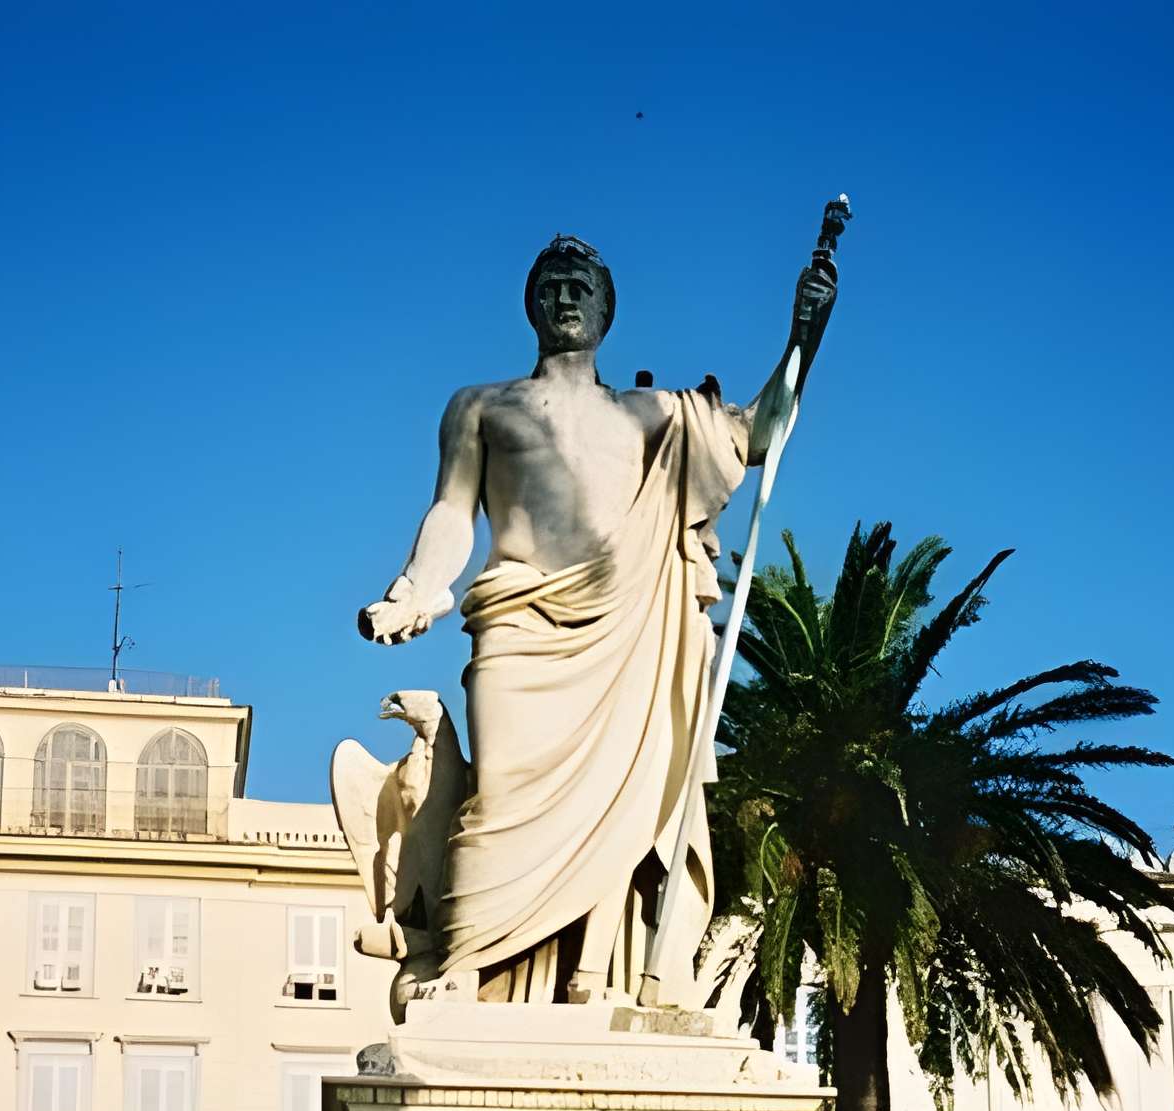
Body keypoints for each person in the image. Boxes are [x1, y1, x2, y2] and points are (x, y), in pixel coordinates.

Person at [356, 234, 838, 1003]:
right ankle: (467, 963)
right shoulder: (481, 405)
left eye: (582, 286)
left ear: (608, 309)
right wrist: (415, 587)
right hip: (517, 621)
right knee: (503, 793)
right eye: (551, 285)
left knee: (626, 798)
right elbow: (452, 510)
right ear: (531, 304)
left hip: (630, 630)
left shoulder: (656, 414)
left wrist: (802, 340)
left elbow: (759, 435)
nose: (566, 297)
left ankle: (588, 977)